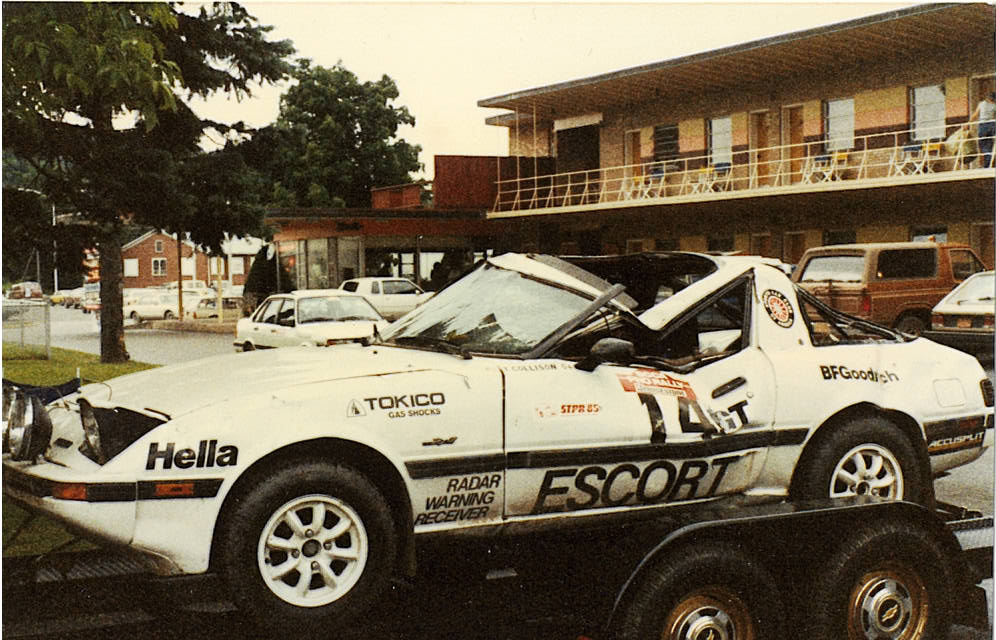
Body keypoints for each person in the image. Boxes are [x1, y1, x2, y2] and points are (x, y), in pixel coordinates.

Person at [969, 91, 996, 168]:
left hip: (983, 125)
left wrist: (968, 123)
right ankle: (989, 163)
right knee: (990, 145)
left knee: (983, 144)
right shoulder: (994, 106)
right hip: (992, 125)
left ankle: (987, 164)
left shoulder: (982, 104)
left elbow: (975, 115)